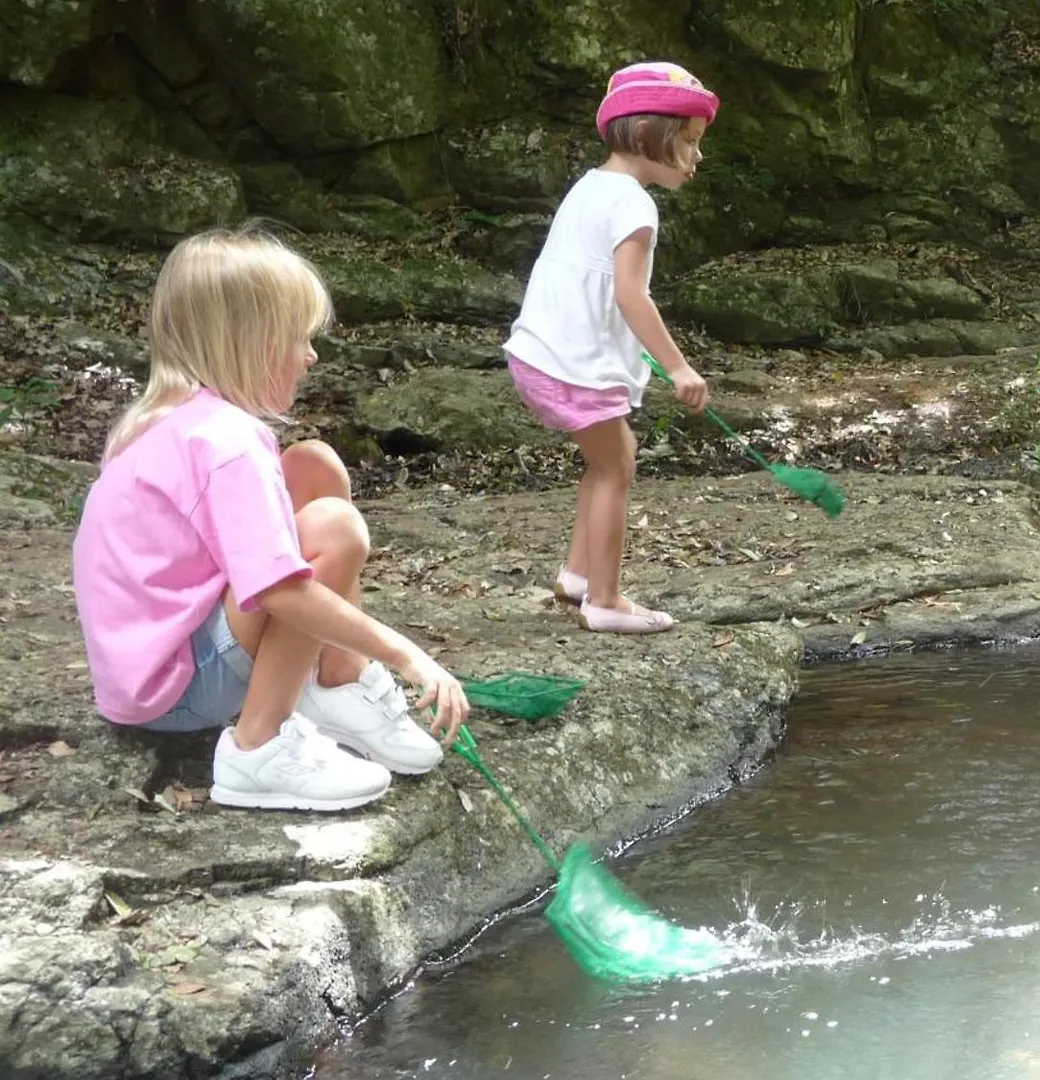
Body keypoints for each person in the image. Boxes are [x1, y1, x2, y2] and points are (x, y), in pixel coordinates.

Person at [71, 227, 469, 812]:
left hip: (142, 675)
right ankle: (258, 748)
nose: (311, 356)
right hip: (177, 692)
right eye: (298, 338)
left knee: (313, 466)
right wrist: (407, 655)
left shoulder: (155, 421)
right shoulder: (228, 440)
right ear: (246, 340)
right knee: (333, 528)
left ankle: (335, 683)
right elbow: (279, 589)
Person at [503, 60, 719, 634]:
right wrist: (678, 367)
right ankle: (605, 600)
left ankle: (577, 576)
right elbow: (630, 296)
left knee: (602, 463)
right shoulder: (635, 205)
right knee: (617, 463)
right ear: (653, 135)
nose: (698, 157)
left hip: (539, 353)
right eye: (691, 142)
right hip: (571, 364)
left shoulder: (591, 186)